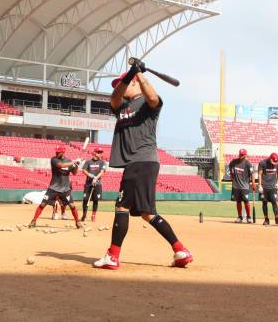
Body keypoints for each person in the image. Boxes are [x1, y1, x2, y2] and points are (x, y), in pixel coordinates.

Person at [93, 61, 192, 270]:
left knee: (122, 206)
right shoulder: (120, 106)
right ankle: (180, 250)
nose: (119, 86)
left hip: (141, 160)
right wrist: (131, 72)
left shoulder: (148, 104)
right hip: (141, 163)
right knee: (147, 213)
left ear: (136, 82)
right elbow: (114, 97)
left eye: (124, 82)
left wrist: (140, 74)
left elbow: (154, 97)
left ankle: (112, 256)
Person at [28, 146, 82, 229]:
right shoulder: (54, 159)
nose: (56, 153)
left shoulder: (69, 161)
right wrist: (74, 162)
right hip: (53, 187)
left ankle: (77, 222)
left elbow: (74, 172)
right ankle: (34, 221)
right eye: (56, 152)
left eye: (58, 152)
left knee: (72, 205)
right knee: (42, 204)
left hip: (65, 188)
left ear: (63, 152)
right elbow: (61, 165)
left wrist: (77, 165)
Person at [257, 153, 278, 226]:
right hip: (264, 186)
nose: (274, 163)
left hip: (273, 186)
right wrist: (259, 185)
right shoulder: (262, 163)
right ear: (270, 158)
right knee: (264, 202)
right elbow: (259, 174)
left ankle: (277, 219)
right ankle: (266, 219)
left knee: (274, 202)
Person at [228, 149, 254, 223]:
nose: (240, 156)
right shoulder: (234, 162)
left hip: (244, 186)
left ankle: (249, 217)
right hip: (236, 186)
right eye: (240, 154)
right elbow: (230, 166)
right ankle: (240, 217)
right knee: (238, 201)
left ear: (245, 155)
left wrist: (253, 183)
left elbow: (252, 174)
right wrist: (231, 174)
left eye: (242, 155)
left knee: (246, 201)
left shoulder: (248, 164)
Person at [81, 147, 106, 222]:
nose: (100, 153)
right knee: (85, 199)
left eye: (101, 152)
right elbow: (83, 170)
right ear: (94, 152)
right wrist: (90, 175)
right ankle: (84, 215)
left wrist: (96, 178)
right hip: (88, 184)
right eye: (99, 152)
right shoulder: (88, 162)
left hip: (97, 184)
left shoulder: (102, 162)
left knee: (95, 200)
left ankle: (93, 215)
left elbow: (102, 171)